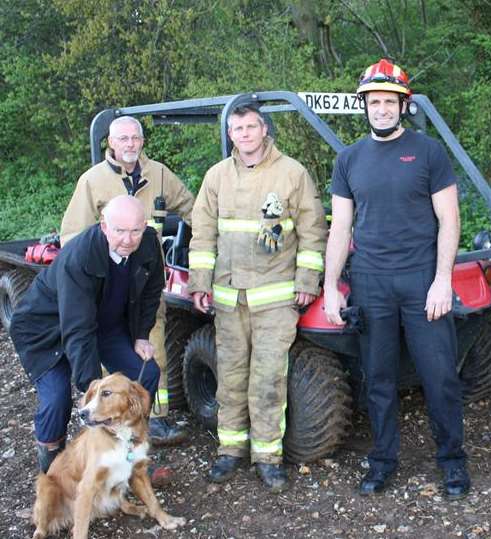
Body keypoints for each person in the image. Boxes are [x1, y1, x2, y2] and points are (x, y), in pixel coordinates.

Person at [323, 58, 470, 500]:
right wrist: (331, 285)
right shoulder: (348, 159)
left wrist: (443, 279)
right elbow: (340, 228)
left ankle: (452, 462)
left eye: (390, 101)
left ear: (402, 105)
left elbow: (450, 219)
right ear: (363, 105)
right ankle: (383, 460)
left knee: (439, 374)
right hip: (370, 283)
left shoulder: (428, 152)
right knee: (379, 378)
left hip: (421, 278)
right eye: (374, 101)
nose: (382, 108)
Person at [188, 103, 327, 492]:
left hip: (275, 300)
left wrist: (307, 281)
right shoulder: (216, 177)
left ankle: (268, 457)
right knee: (230, 379)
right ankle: (230, 451)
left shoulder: (292, 173)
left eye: (251, 127)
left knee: (268, 379)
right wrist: (200, 283)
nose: (245, 134)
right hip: (229, 300)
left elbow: (313, 231)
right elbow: (202, 235)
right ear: (230, 134)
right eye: (237, 128)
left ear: (264, 130)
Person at [60, 115, 195, 446]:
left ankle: (153, 419)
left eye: (135, 138)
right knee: (112, 363)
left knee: (154, 352)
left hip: (147, 285)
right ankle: (111, 424)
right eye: (123, 139)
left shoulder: (159, 174)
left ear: (142, 142)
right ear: (111, 142)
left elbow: (193, 208)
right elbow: (72, 238)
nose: (130, 144)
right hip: (109, 290)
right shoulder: (93, 181)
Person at [10, 195, 164, 474]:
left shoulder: (150, 244)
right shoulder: (78, 257)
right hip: (46, 330)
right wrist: (94, 392)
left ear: (144, 227)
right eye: (120, 231)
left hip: (104, 324)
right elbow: (77, 329)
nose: (128, 240)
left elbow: (153, 291)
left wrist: (141, 335)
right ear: (104, 226)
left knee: (147, 373)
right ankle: (55, 472)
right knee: (57, 398)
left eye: (135, 231)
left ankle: (130, 451)